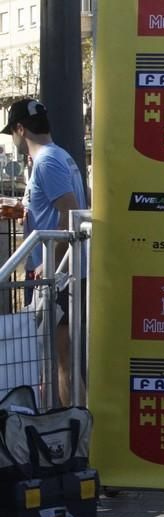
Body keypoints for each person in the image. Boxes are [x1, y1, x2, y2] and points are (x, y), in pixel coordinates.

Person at [3, 99, 88, 407]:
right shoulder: (60, 156)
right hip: (60, 271)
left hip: (56, 274)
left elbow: (68, 213)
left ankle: (75, 433)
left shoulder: (47, 161)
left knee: (61, 358)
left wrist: (51, 263)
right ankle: (63, 425)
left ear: (20, 129)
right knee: (54, 356)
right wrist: (23, 209)